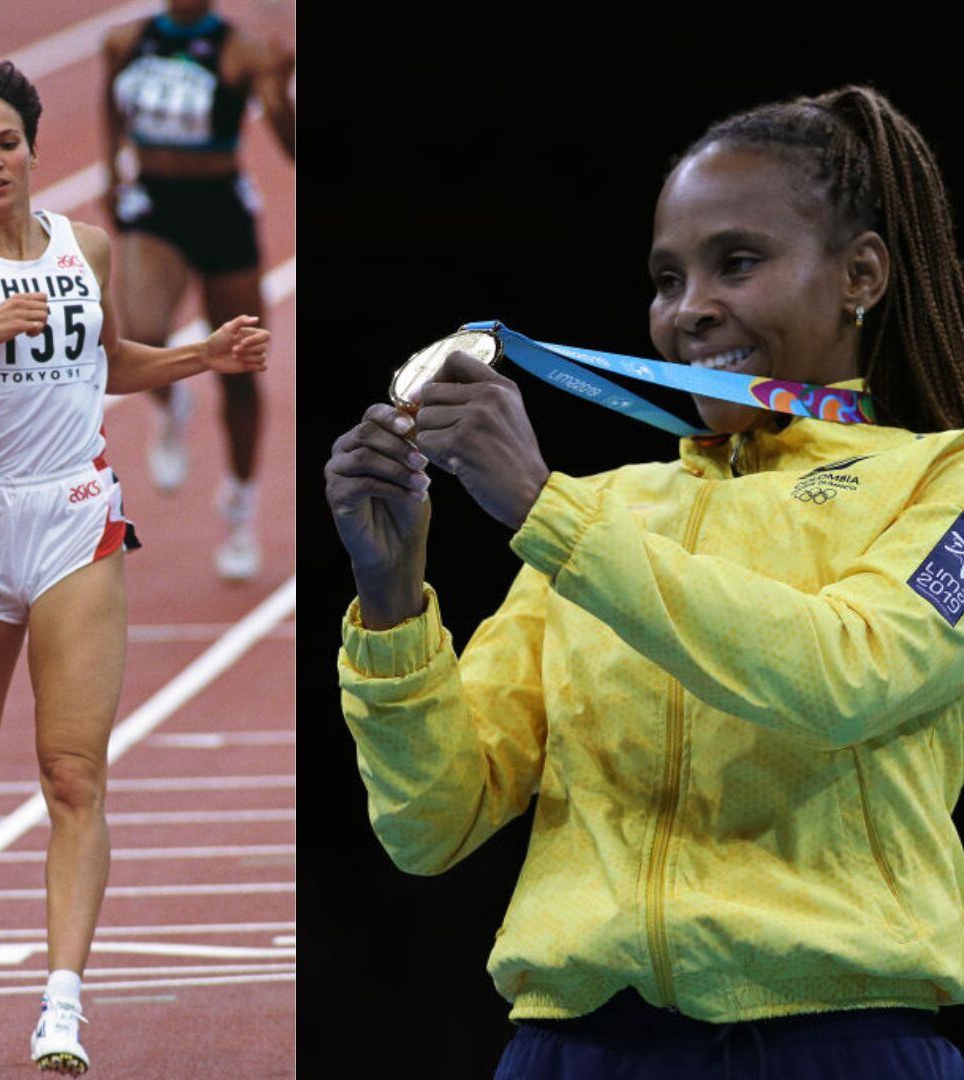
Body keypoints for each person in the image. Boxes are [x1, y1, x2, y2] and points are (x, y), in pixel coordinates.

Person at [330, 85, 964, 1078]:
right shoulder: (608, 509)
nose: (690, 309)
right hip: (571, 1052)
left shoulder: (939, 483)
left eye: (737, 263)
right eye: (667, 279)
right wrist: (392, 600)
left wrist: (545, 512)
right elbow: (433, 824)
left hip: (836, 1047)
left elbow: (846, 675)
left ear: (861, 273)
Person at [0, 59, 268, 1075]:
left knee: (73, 774)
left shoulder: (87, 245)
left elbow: (106, 360)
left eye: (6, 143)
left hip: (77, 514)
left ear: (34, 143)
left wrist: (198, 360)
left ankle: (63, 1004)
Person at [102, 0, 294, 580]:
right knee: (139, 333)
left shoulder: (242, 52)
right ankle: (172, 401)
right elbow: (110, 109)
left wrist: (281, 90)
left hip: (221, 213)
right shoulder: (124, 41)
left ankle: (238, 507)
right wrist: (112, 173)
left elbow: (290, 145)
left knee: (240, 367)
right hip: (156, 205)